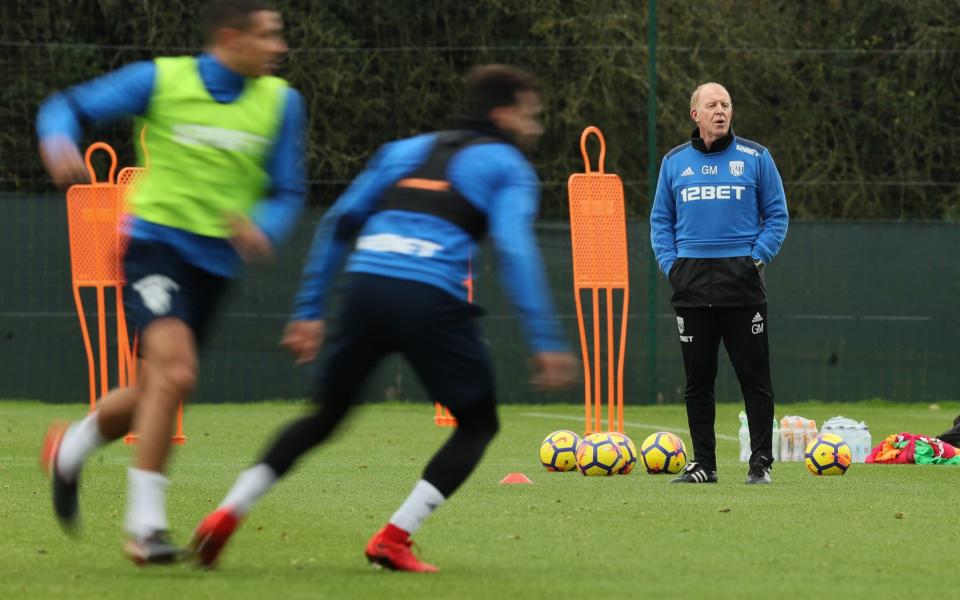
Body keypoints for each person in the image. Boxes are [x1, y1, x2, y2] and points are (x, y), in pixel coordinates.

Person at [187, 64, 577, 573]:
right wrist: (545, 339)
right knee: (477, 425)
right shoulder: (507, 166)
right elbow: (515, 249)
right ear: (503, 114)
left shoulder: (402, 151)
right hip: (429, 298)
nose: (536, 128)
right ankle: (394, 538)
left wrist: (309, 311)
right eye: (531, 116)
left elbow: (339, 222)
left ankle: (226, 512)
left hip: (365, 289)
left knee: (324, 417)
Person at [37, 0, 305, 564]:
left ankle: (71, 450)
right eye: (268, 36)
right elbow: (67, 106)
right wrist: (58, 137)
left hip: (214, 265)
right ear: (230, 37)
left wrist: (265, 227)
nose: (279, 48)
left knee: (153, 389)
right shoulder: (160, 79)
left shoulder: (282, 104)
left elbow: (287, 191)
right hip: (152, 247)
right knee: (177, 372)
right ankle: (146, 529)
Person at [649, 82, 788, 485]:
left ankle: (760, 463)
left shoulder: (756, 157)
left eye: (726, 103)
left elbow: (777, 215)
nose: (720, 110)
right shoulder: (674, 162)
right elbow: (661, 221)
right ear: (695, 113)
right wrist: (672, 266)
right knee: (698, 381)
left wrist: (756, 258)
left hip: (741, 283)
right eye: (712, 104)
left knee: (755, 378)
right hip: (691, 283)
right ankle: (704, 465)